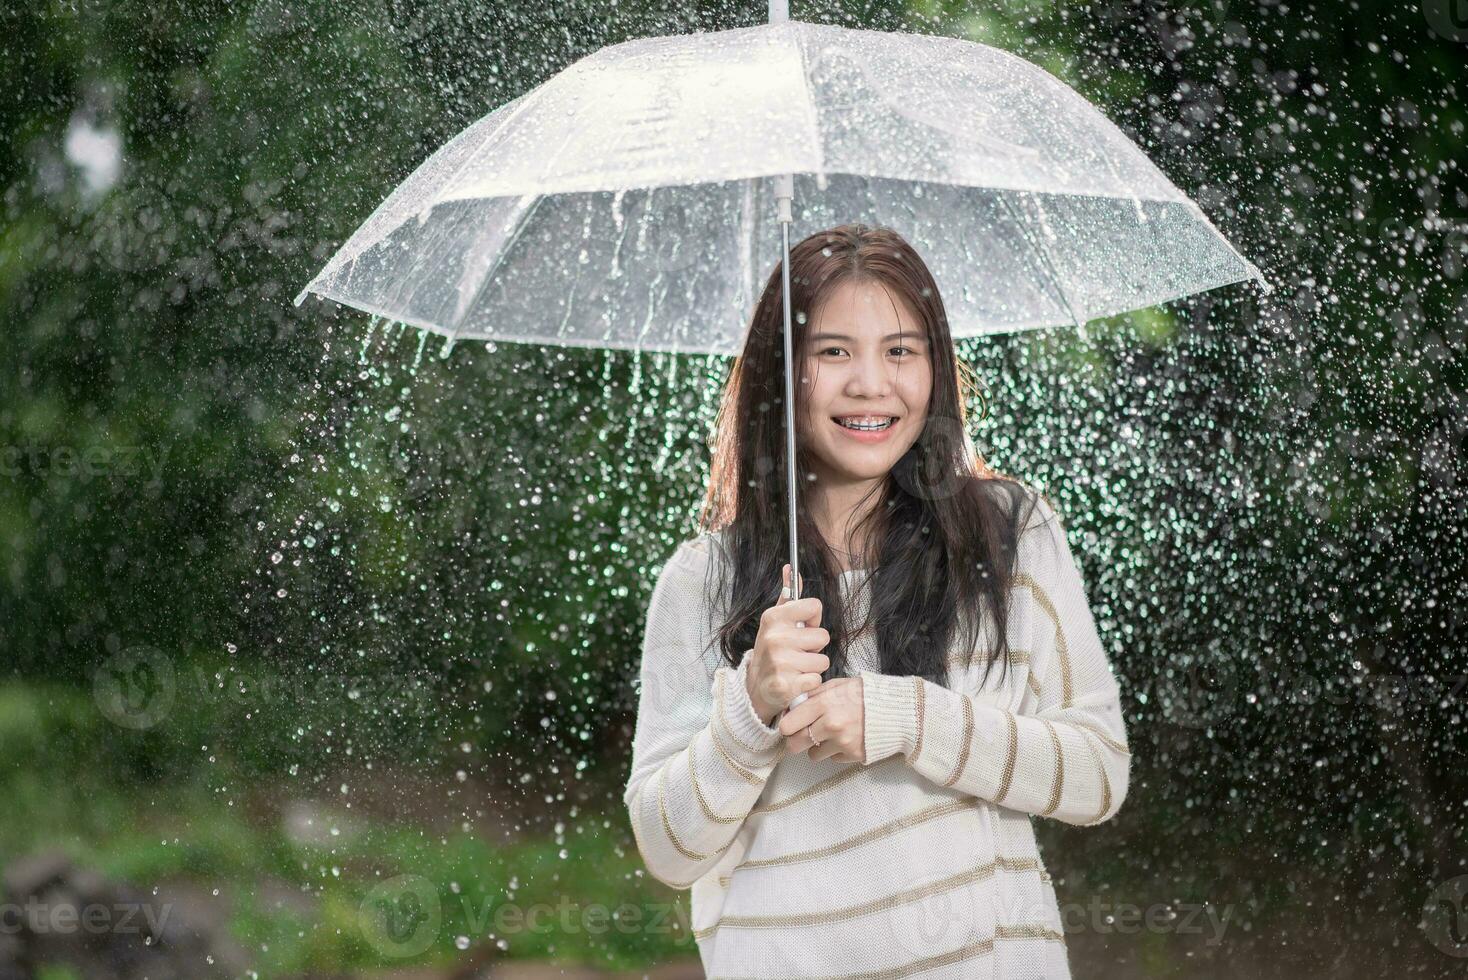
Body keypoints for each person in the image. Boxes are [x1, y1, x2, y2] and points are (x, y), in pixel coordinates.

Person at [623, 223, 1130, 979]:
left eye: (901, 351)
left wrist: (904, 718)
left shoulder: (1011, 536)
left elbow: (1098, 777)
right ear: (781, 372)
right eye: (832, 352)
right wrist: (750, 707)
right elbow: (668, 851)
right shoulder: (703, 580)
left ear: (937, 367)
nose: (871, 384)